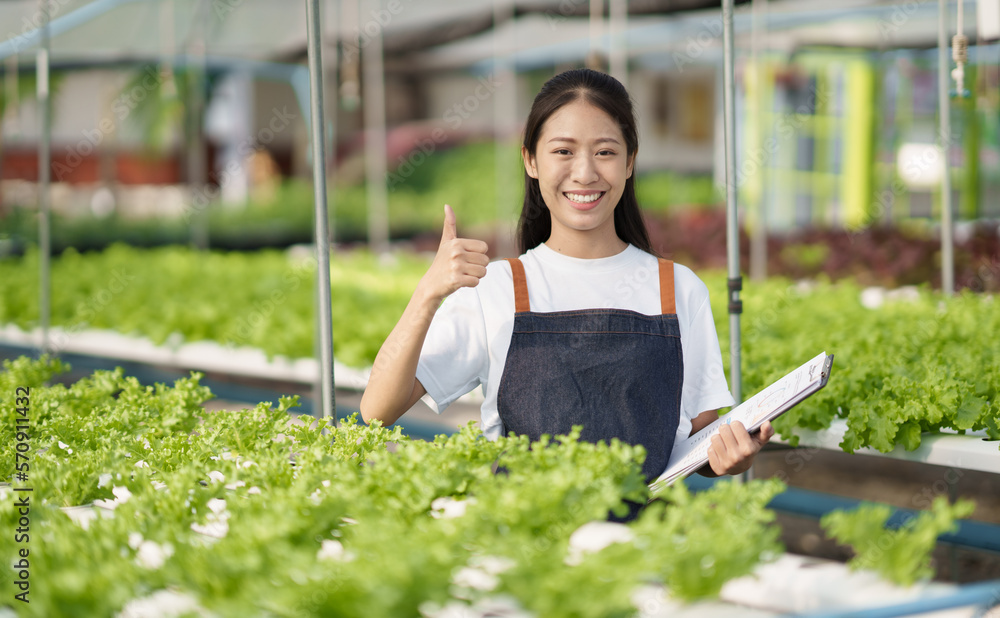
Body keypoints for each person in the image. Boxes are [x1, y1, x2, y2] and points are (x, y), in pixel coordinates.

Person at [361, 68, 772, 489]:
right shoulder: (497, 288)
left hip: (642, 545)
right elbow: (377, 409)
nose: (585, 173)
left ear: (630, 162)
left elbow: (702, 438)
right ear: (531, 161)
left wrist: (732, 457)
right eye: (563, 151)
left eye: (605, 152)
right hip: (525, 539)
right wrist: (427, 294)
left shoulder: (678, 289)